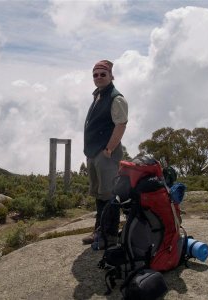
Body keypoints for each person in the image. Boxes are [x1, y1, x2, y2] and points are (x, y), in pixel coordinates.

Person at [82, 60, 128, 246]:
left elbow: (121, 124)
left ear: (111, 76)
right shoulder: (98, 96)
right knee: (100, 194)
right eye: (95, 75)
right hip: (94, 153)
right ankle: (99, 231)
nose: (99, 77)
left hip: (106, 154)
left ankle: (109, 236)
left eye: (103, 74)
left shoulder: (116, 98)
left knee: (109, 194)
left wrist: (109, 149)